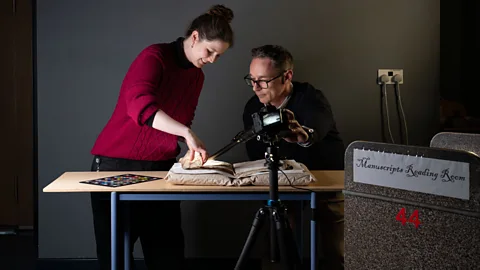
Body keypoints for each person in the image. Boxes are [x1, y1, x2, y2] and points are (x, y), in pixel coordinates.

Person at [89, 5, 234, 270]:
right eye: (209, 51)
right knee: (116, 256)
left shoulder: (196, 76)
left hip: (161, 168)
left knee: (167, 254)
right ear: (194, 37)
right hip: (117, 164)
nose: (213, 59)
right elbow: (140, 108)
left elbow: (181, 120)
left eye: (218, 55)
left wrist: (185, 147)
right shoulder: (154, 56)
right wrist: (187, 134)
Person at [242, 45, 345, 269]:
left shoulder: (311, 98)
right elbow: (256, 153)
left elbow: (316, 127)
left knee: (336, 247)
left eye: (263, 81)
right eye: (251, 79)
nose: (255, 87)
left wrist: (302, 136)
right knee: (276, 241)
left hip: (324, 176)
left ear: (287, 76)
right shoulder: (253, 107)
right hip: (281, 182)